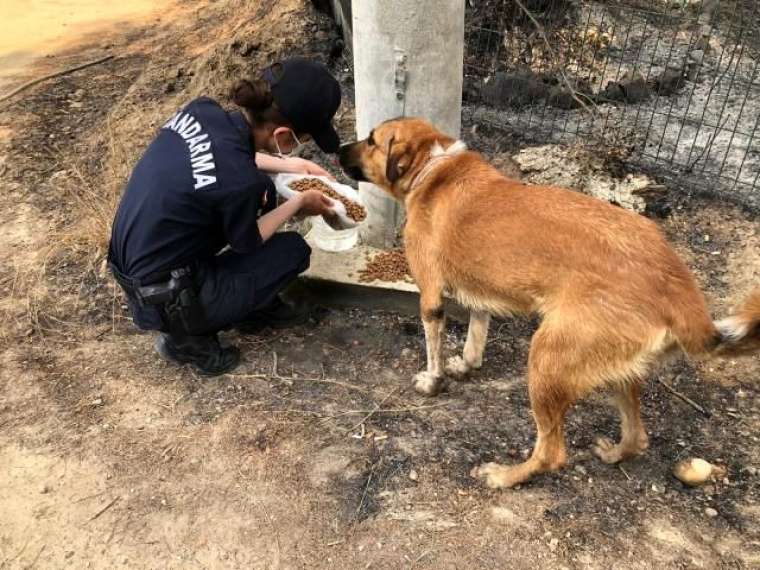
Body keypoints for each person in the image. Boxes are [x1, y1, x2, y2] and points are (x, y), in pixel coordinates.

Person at [108, 58, 342, 376]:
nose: (301, 148)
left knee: (259, 197)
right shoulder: (240, 183)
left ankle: (235, 303)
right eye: (305, 140)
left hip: (135, 267)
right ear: (285, 136)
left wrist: (291, 166)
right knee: (291, 251)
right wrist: (299, 203)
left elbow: (218, 155)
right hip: (166, 297)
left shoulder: (201, 111)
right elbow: (248, 241)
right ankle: (185, 341)